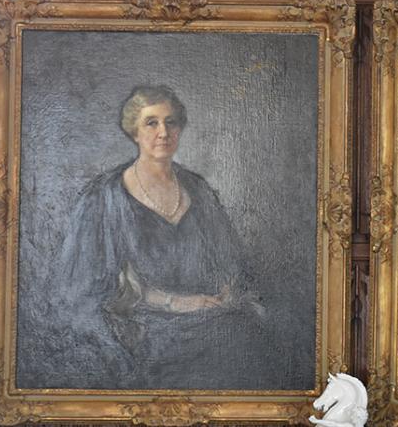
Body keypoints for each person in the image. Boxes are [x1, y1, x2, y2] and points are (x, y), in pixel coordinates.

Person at [19, 85, 289, 391]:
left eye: (170, 122)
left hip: (207, 316)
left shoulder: (197, 189)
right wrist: (176, 303)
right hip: (141, 325)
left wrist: (223, 292)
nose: (163, 132)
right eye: (152, 122)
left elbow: (230, 261)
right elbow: (88, 289)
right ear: (134, 131)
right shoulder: (106, 196)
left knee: (247, 336)